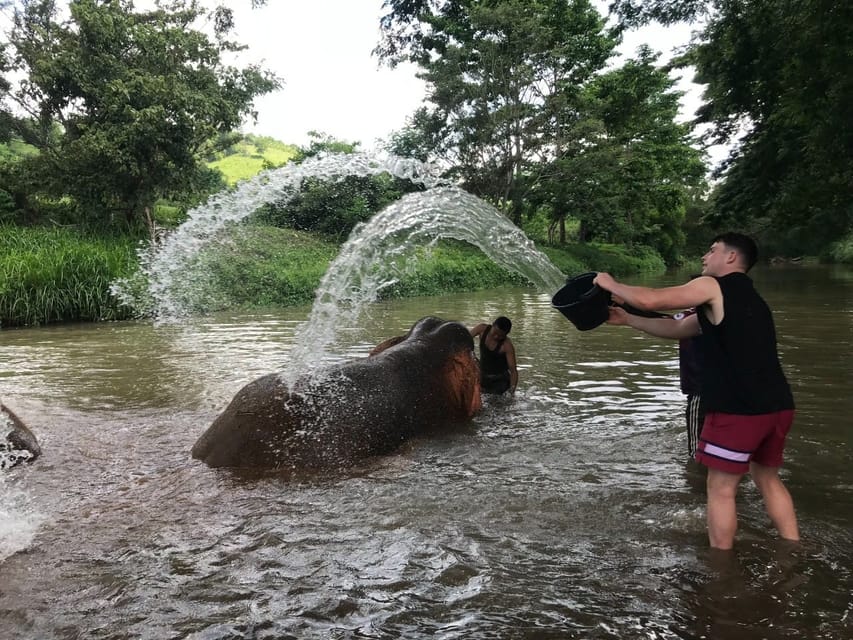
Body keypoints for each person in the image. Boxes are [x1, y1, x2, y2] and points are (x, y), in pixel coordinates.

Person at [593, 232, 798, 550]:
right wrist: (629, 320)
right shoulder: (751, 299)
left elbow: (652, 300)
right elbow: (678, 328)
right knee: (767, 479)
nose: (705, 256)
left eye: (712, 250)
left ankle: (721, 567)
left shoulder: (714, 286)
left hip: (738, 408)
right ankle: (794, 546)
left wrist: (610, 283)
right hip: (778, 405)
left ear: (731, 257)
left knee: (720, 489)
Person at [469, 316, 518, 395]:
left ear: (506, 335)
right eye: (495, 332)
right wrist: (471, 354)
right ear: (492, 325)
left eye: (501, 336)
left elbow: (513, 371)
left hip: (500, 382)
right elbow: (465, 338)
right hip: (483, 377)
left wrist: (511, 392)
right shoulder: (481, 329)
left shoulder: (507, 346)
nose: (496, 337)